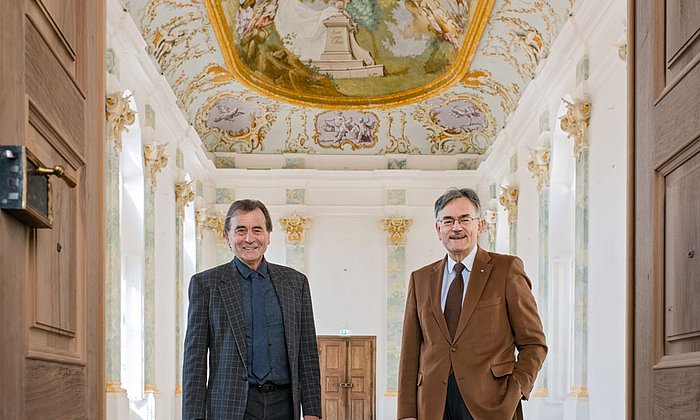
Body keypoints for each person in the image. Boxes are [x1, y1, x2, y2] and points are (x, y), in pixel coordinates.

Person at [397, 188, 547, 420]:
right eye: (448, 221)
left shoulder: (507, 270)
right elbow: (410, 352)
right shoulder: (420, 279)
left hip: (492, 404)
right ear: (438, 229)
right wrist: (406, 413)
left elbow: (534, 343)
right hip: (432, 406)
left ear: (479, 226)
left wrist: (516, 390)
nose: (456, 227)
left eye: (464, 219)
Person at [183, 199, 322, 419]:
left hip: (284, 406)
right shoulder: (206, 285)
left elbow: (307, 352)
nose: (249, 238)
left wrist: (313, 411)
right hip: (230, 406)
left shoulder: (296, 283)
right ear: (226, 236)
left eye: (257, 229)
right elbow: (195, 359)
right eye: (240, 230)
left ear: (268, 235)